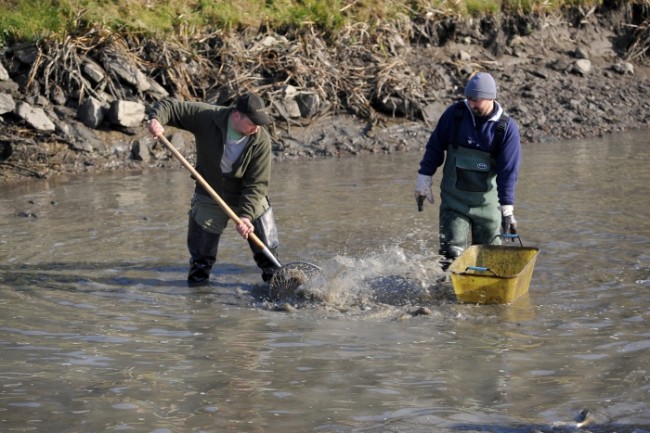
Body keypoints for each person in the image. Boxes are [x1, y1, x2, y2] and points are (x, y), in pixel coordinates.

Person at [146, 92, 280, 286]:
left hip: (246, 195)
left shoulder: (261, 140)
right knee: (200, 263)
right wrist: (156, 119)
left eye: (260, 122)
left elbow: (256, 184)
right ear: (236, 116)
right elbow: (170, 107)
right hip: (209, 193)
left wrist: (245, 216)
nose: (257, 127)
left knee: (268, 254)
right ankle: (200, 304)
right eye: (253, 122)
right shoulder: (207, 117)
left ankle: (274, 284)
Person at [415, 72, 521, 269]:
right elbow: (434, 147)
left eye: (476, 100)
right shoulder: (454, 115)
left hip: (488, 207)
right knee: (450, 258)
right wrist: (424, 178)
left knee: (490, 261)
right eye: (469, 99)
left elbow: (508, 172)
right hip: (454, 203)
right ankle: (446, 295)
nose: (471, 104)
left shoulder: (506, 128)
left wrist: (507, 209)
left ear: (491, 97)